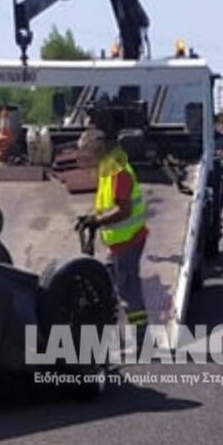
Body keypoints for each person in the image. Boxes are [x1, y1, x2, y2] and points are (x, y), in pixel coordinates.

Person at [75, 127, 149, 332]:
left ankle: (142, 338)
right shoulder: (107, 169)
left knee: (128, 288)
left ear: (98, 150)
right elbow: (106, 205)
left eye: (87, 153)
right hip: (118, 241)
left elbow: (124, 210)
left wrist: (97, 222)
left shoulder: (118, 171)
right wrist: (92, 217)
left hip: (129, 240)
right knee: (108, 284)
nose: (84, 158)